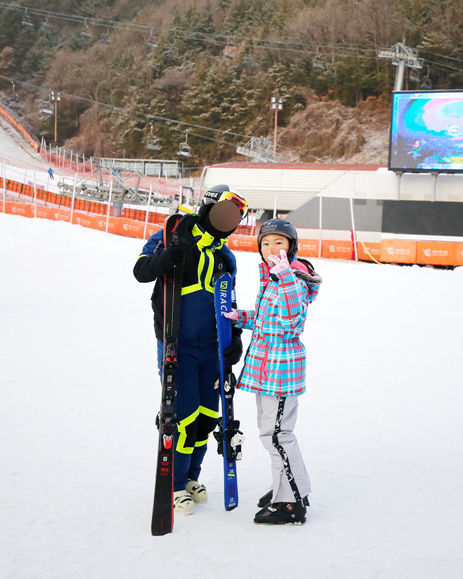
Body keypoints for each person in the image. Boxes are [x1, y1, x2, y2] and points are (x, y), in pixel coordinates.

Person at [133, 184, 248, 516]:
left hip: (212, 348)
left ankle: (191, 478)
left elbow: (230, 303)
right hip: (177, 345)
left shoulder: (226, 256)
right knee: (182, 418)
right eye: (225, 213)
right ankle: (174, 483)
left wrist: (235, 338)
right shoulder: (173, 233)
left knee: (206, 418)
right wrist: (169, 257)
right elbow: (141, 271)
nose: (229, 222)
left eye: (235, 218)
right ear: (208, 208)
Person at [224, 218, 322, 525]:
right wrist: (239, 316)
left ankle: (290, 503)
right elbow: (269, 321)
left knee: (277, 436)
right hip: (265, 369)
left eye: (278, 243)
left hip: (280, 371)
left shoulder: (293, 280)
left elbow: (294, 322)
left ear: (291, 247)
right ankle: (293, 488)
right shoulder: (272, 280)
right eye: (265, 244)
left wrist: (285, 277)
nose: (271, 249)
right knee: (275, 434)